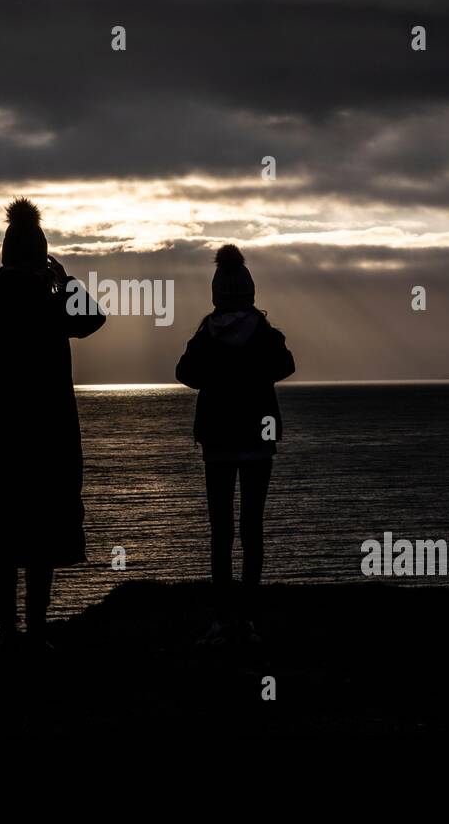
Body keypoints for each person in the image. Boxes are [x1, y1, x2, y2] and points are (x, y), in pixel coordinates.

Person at [0, 198, 105, 649]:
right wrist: (65, 279)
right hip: (48, 431)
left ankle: (7, 630)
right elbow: (95, 317)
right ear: (41, 257)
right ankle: (36, 629)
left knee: (2, 526)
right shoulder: (52, 301)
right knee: (42, 527)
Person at [175, 244, 295, 645]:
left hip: (218, 438)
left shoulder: (206, 334)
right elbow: (285, 365)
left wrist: (217, 376)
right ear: (250, 292)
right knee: (252, 528)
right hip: (258, 437)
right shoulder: (264, 333)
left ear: (216, 294)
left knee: (221, 531)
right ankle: (248, 617)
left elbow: (185, 373)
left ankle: (223, 617)